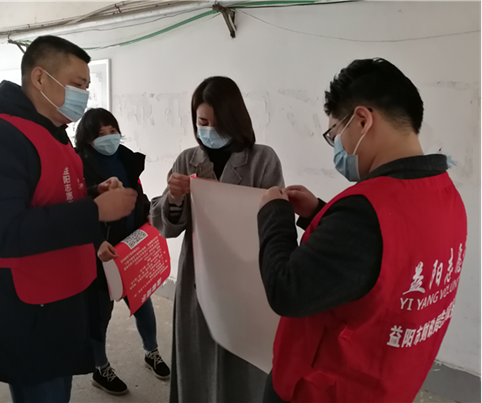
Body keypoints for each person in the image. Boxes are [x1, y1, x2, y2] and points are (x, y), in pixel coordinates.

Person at [258, 58, 467, 403]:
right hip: (390, 385)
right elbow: (384, 260)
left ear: (362, 120)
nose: (337, 146)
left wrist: (273, 214)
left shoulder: (366, 210)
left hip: (324, 390)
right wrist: (320, 213)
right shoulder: (444, 195)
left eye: (335, 134)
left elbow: (286, 289)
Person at [0, 35, 137, 403]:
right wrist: (96, 211)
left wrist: (93, 194)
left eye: (86, 87)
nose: (83, 95)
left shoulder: (51, 132)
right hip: (22, 305)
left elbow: (49, 195)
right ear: (40, 78)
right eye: (77, 85)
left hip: (55, 295)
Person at [151, 76, 285, 403]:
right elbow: (168, 227)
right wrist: (175, 197)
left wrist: (225, 202)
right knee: (199, 359)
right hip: (200, 277)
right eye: (202, 122)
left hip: (247, 280)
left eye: (217, 123)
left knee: (243, 364)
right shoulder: (188, 160)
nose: (209, 130)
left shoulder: (263, 159)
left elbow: (275, 220)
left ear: (235, 120)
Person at [75, 108, 170, 396]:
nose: (109, 138)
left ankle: (151, 352)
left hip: (131, 247)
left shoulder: (127, 159)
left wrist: (147, 212)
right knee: (100, 314)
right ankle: (100, 367)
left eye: (112, 130)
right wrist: (95, 243)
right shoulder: (79, 165)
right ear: (88, 140)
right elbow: (78, 212)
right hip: (102, 252)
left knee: (142, 300)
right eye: (100, 134)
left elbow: (137, 194)